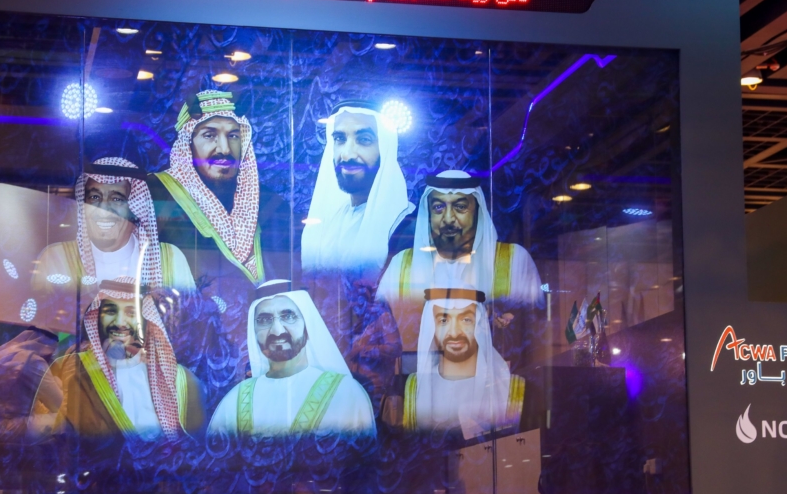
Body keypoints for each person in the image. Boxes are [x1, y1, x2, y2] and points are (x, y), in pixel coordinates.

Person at [150, 88, 293, 391]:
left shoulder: (271, 204)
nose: (224, 148)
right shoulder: (156, 196)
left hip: (266, 362)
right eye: (209, 135)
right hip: (188, 365)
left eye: (233, 135)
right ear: (188, 143)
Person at [378, 169, 542, 350]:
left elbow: (536, 328)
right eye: (438, 207)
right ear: (429, 215)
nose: (448, 218)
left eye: (460, 207)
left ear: (477, 212)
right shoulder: (401, 265)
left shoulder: (513, 261)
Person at [32, 155, 195, 332]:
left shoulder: (170, 259)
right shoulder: (57, 258)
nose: (103, 210)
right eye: (94, 197)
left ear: (134, 207)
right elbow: (42, 331)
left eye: (117, 199)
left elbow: (189, 329)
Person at [28, 278, 204, 441]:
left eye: (131, 312)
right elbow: (48, 435)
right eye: (111, 311)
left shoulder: (182, 381)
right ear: (97, 318)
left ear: (146, 321)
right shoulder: (71, 367)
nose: (120, 322)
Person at [207, 281, 376, 437]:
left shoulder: (346, 394)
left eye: (288, 316)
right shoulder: (235, 401)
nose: (277, 331)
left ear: (307, 326)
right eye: (264, 320)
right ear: (254, 331)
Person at [301, 101, 414, 275]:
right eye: (340, 139)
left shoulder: (406, 225)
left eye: (364, 140)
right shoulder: (330, 220)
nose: (347, 154)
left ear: (384, 148)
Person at [402, 289, 524, 440]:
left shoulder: (508, 387)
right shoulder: (414, 387)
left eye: (466, 320)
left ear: (479, 324)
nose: (454, 333)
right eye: (443, 321)